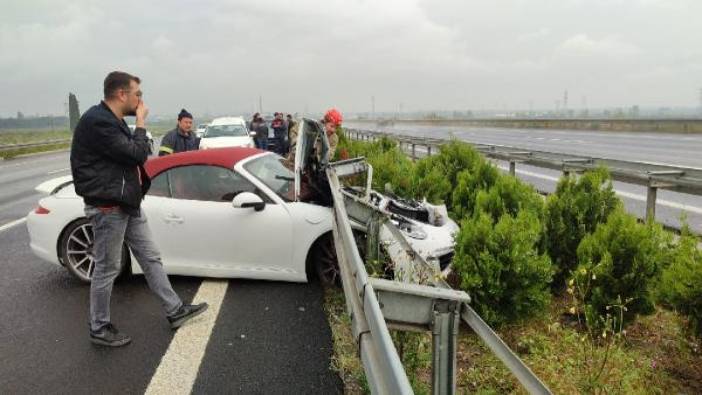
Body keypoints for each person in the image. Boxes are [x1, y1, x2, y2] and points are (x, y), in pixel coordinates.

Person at [70, 71, 208, 347]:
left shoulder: (113, 120)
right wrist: (142, 122)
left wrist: (139, 135)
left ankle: (174, 310)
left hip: (126, 203)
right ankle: (99, 327)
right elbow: (137, 152)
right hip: (109, 207)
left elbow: (137, 150)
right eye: (138, 94)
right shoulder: (98, 122)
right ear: (122, 94)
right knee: (107, 268)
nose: (141, 101)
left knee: (150, 257)